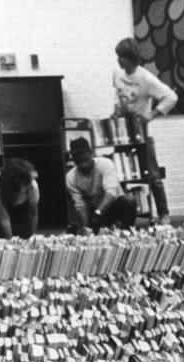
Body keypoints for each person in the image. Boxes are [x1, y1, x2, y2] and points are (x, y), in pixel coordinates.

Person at [112, 37, 177, 224]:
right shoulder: (117, 73)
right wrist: (115, 112)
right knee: (121, 175)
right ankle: (124, 217)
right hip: (121, 129)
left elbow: (171, 97)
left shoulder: (145, 78)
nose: (118, 61)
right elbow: (117, 96)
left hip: (140, 129)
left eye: (121, 57)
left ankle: (164, 213)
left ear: (130, 57)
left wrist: (152, 114)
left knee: (153, 176)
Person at [66, 138, 137, 232]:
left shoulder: (106, 164)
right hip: (95, 211)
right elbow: (80, 206)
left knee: (129, 200)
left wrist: (99, 212)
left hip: (113, 206)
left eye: (83, 154)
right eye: (77, 156)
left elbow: (111, 193)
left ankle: (127, 231)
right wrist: (87, 229)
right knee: (76, 228)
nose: (81, 159)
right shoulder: (70, 177)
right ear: (73, 158)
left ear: (91, 153)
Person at [0, 159, 40, 238]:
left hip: (22, 207)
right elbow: (3, 217)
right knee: (2, 237)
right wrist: (10, 240)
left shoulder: (32, 186)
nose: (27, 187)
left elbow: (34, 213)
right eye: (22, 189)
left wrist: (33, 236)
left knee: (26, 235)